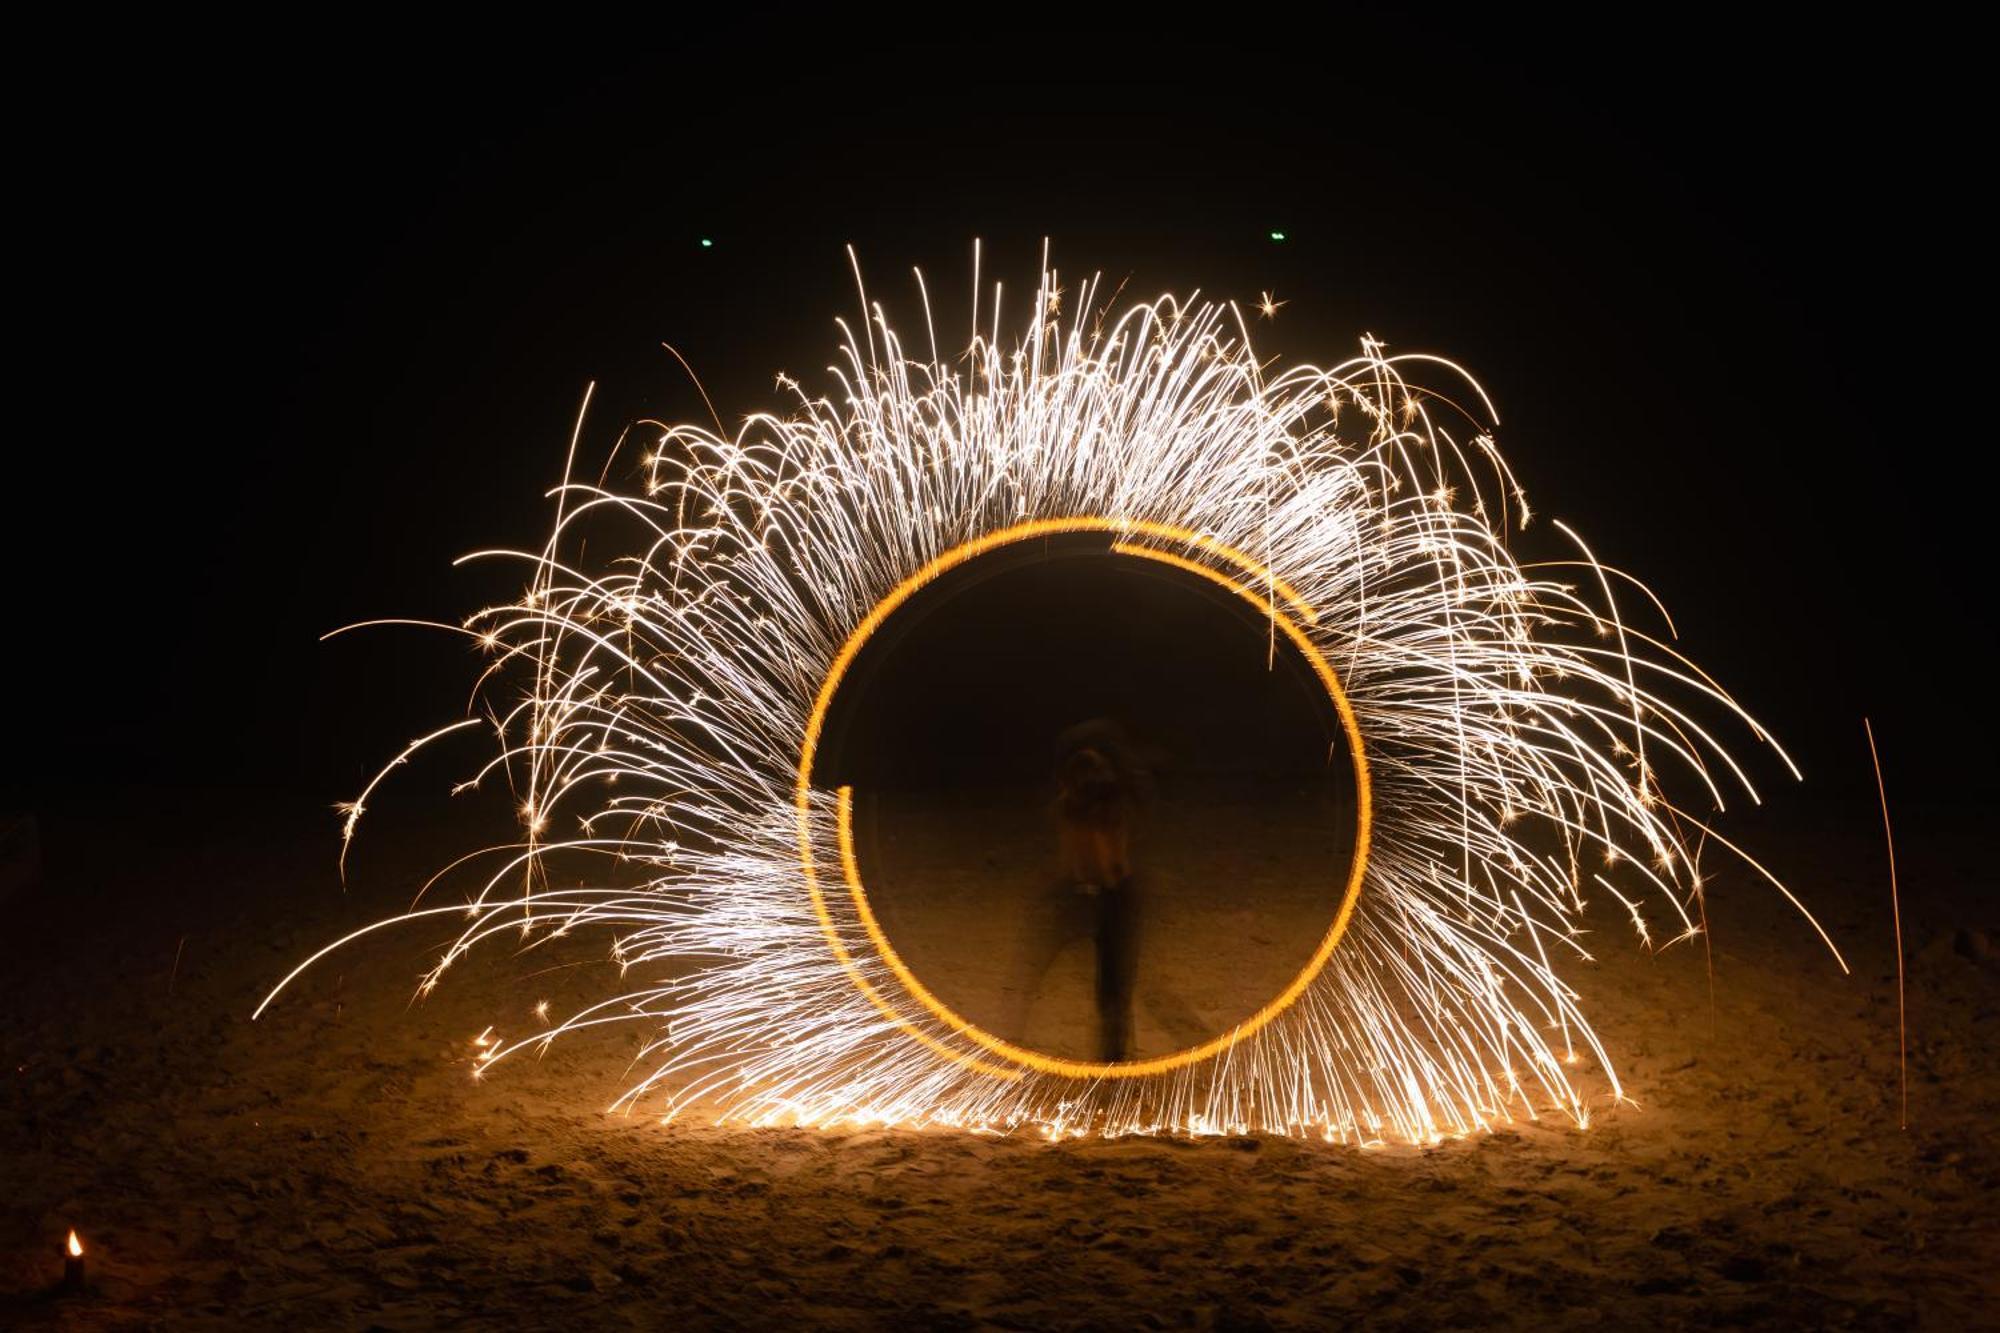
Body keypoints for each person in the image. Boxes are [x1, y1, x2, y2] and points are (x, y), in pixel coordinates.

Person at [1000, 720, 1147, 1062]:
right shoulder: (1079, 803)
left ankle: (1115, 1062)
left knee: (1111, 993)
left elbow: (1112, 866)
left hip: (1110, 896)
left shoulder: (1104, 804)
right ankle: (1012, 1046)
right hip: (1087, 893)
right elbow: (1084, 857)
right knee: (1042, 972)